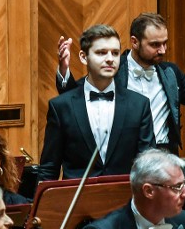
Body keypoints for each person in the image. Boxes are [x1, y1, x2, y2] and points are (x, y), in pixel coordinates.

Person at [56, 13, 185, 153]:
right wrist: (64, 72)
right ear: (135, 42)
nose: (162, 50)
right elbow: (78, 98)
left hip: (165, 156)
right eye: (155, 45)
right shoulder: (114, 69)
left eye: (165, 43)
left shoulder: (170, 74)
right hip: (125, 157)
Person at [39, 24, 155, 182]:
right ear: (83, 57)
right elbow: (49, 168)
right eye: (101, 53)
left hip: (125, 200)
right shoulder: (61, 106)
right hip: (78, 201)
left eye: (115, 53)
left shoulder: (139, 105)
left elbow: (148, 164)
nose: (110, 59)